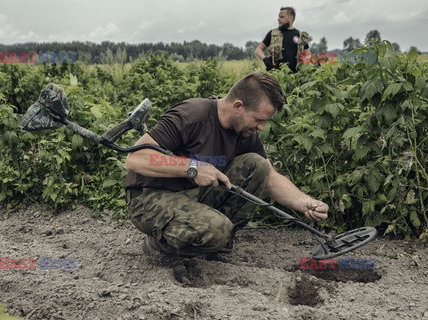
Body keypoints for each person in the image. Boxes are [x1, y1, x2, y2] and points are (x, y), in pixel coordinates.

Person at [124, 72, 328, 281]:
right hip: (149, 198)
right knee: (218, 229)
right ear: (238, 106)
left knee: (257, 165)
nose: (262, 127)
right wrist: (192, 168)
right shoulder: (191, 115)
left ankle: (213, 245)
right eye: (259, 119)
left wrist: (305, 202)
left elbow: (271, 178)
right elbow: (135, 158)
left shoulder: (244, 133)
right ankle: (160, 247)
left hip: (192, 195)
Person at [255, 7, 310, 73]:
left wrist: (304, 68)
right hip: (276, 75)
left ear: (290, 18)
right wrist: (265, 59)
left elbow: (308, 55)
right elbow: (258, 49)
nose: (278, 19)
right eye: (279, 17)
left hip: (295, 77)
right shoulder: (272, 33)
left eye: (282, 17)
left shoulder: (300, 35)